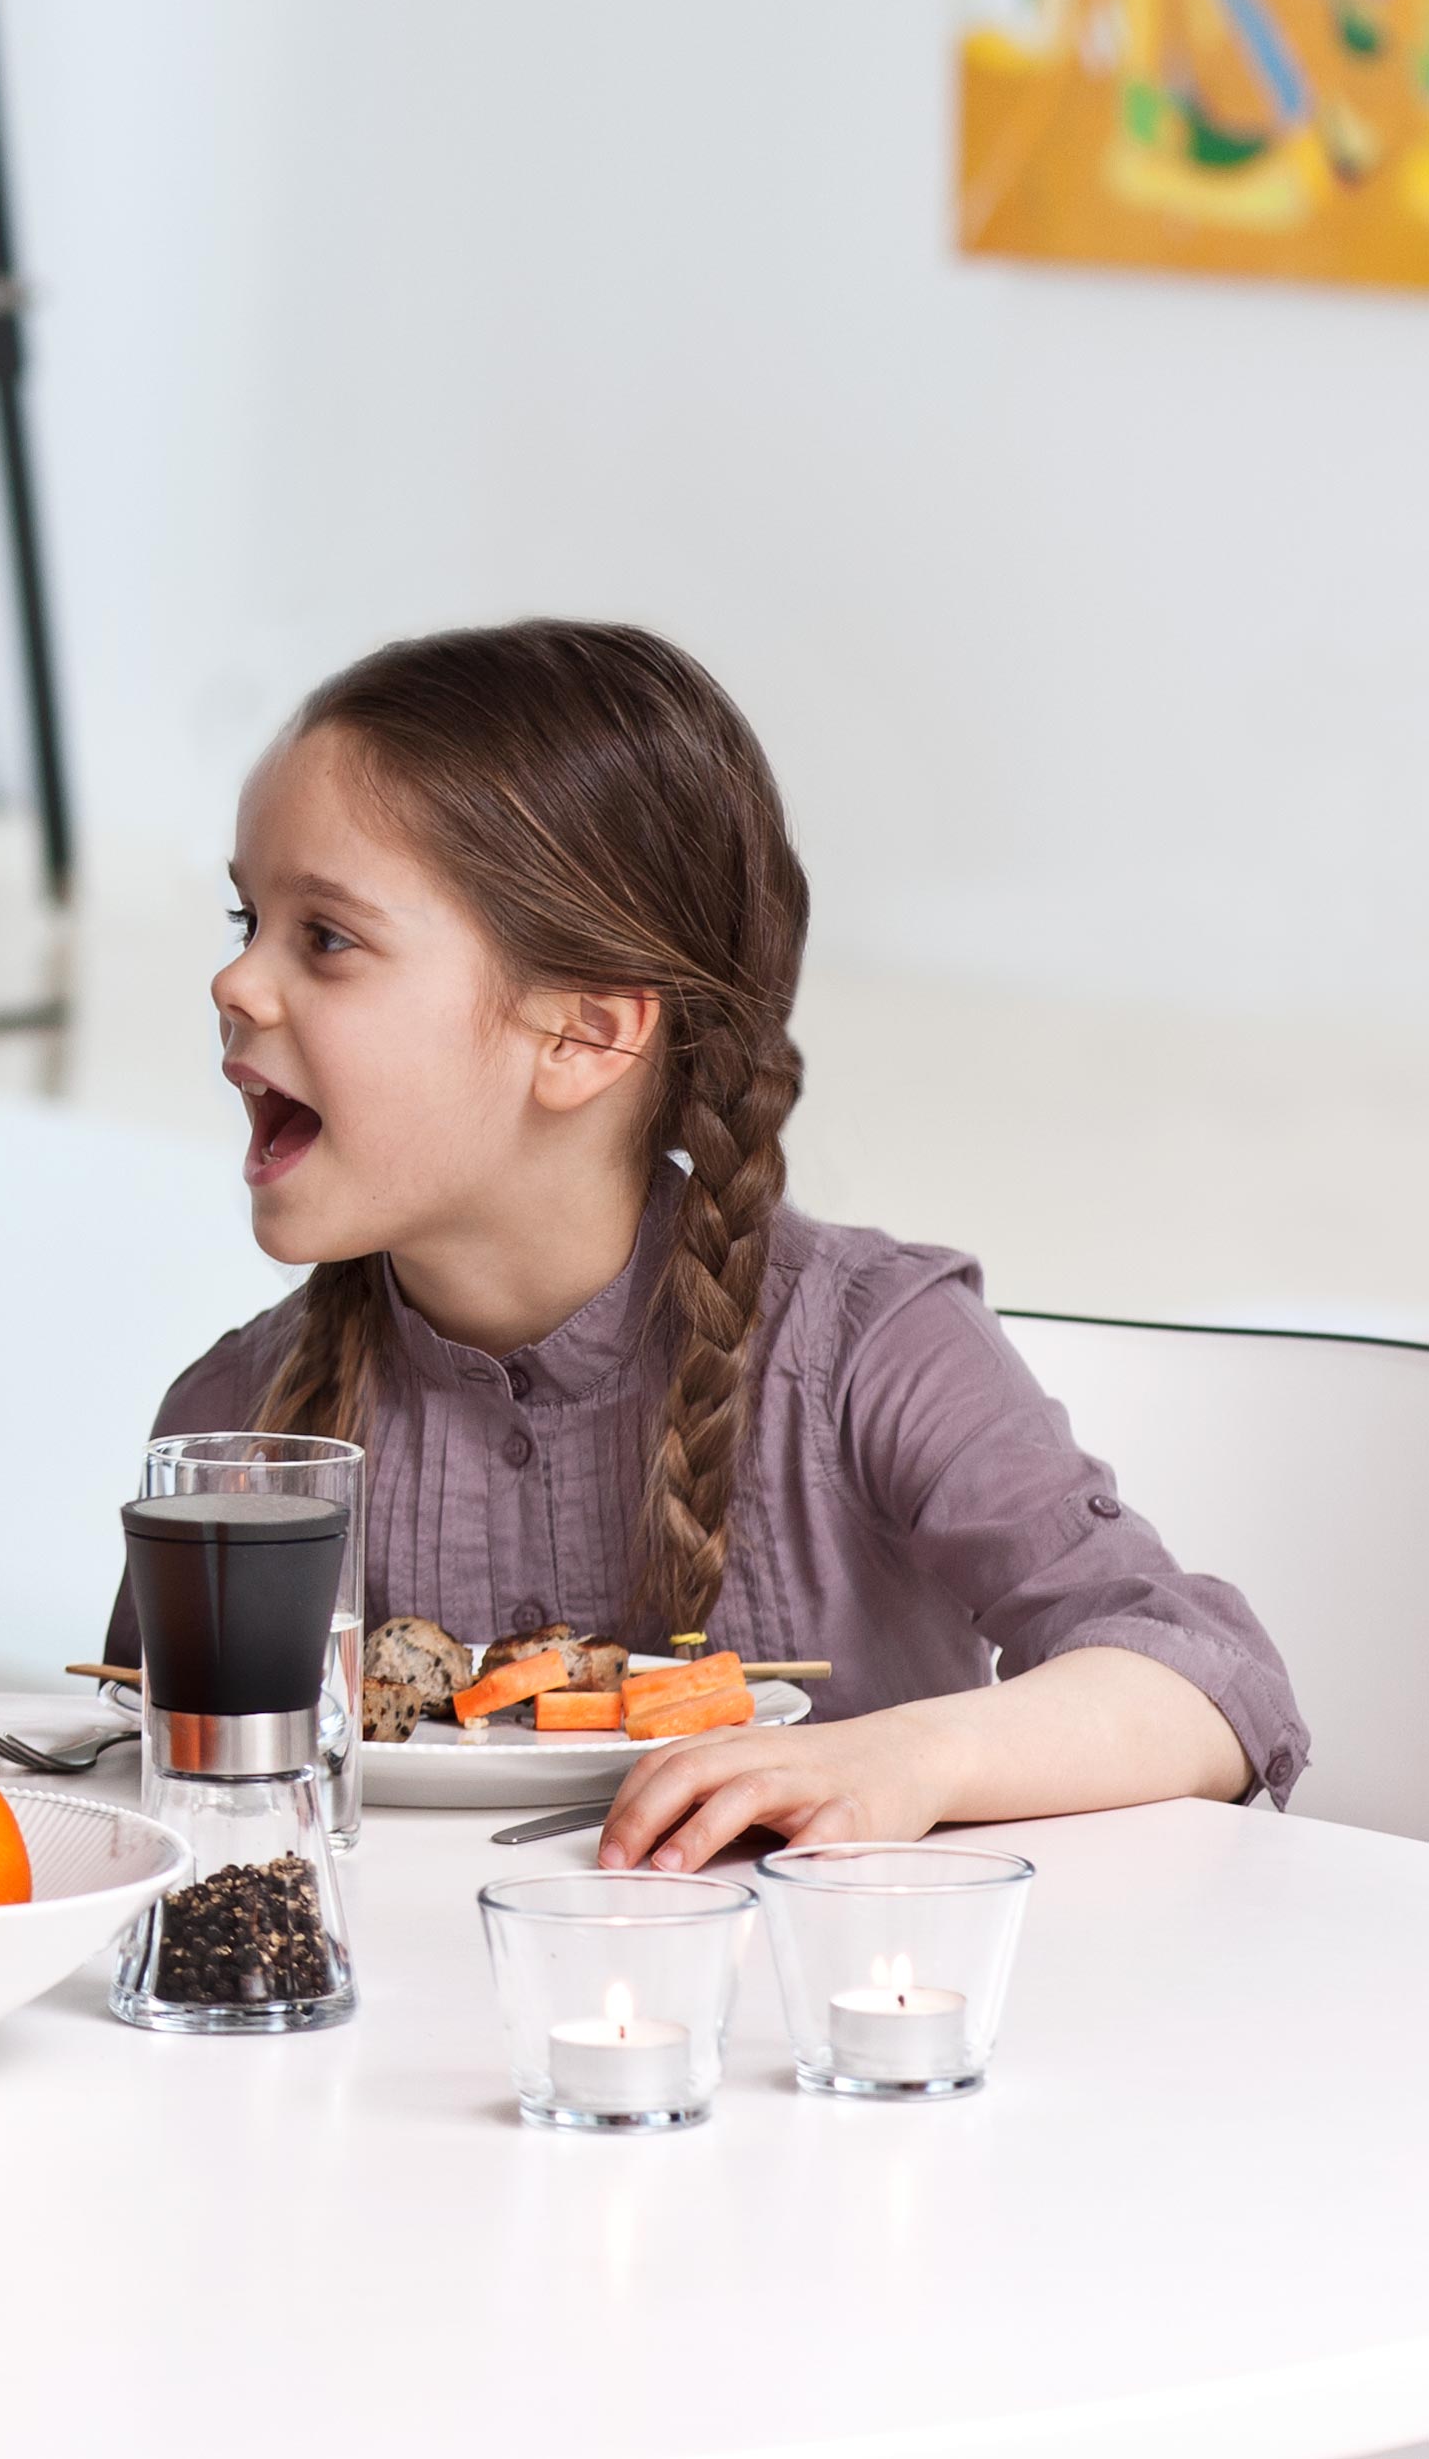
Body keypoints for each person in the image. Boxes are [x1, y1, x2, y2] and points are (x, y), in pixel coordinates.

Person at [136, 618, 1300, 1865]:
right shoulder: (239, 1426)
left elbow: (1215, 1684)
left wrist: (907, 1754)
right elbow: (158, 1818)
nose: (235, 982)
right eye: (244, 918)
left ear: (584, 1033)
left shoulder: (865, 1349)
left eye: (324, 938)